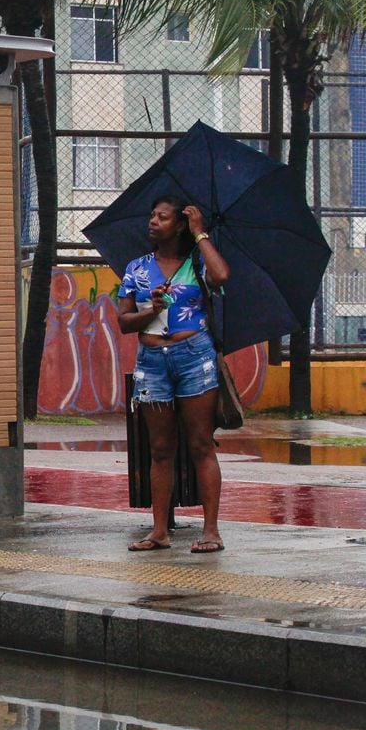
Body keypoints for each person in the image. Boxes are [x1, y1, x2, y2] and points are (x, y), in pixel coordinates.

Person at [117, 195, 231, 554]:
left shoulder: (196, 263)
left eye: (162, 217)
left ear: (179, 224)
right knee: (161, 449)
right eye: (152, 215)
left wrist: (200, 234)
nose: (153, 221)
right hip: (151, 360)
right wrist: (153, 309)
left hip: (194, 355)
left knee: (200, 444)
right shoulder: (137, 268)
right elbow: (124, 322)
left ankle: (211, 530)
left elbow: (222, 275)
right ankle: (160, 530)